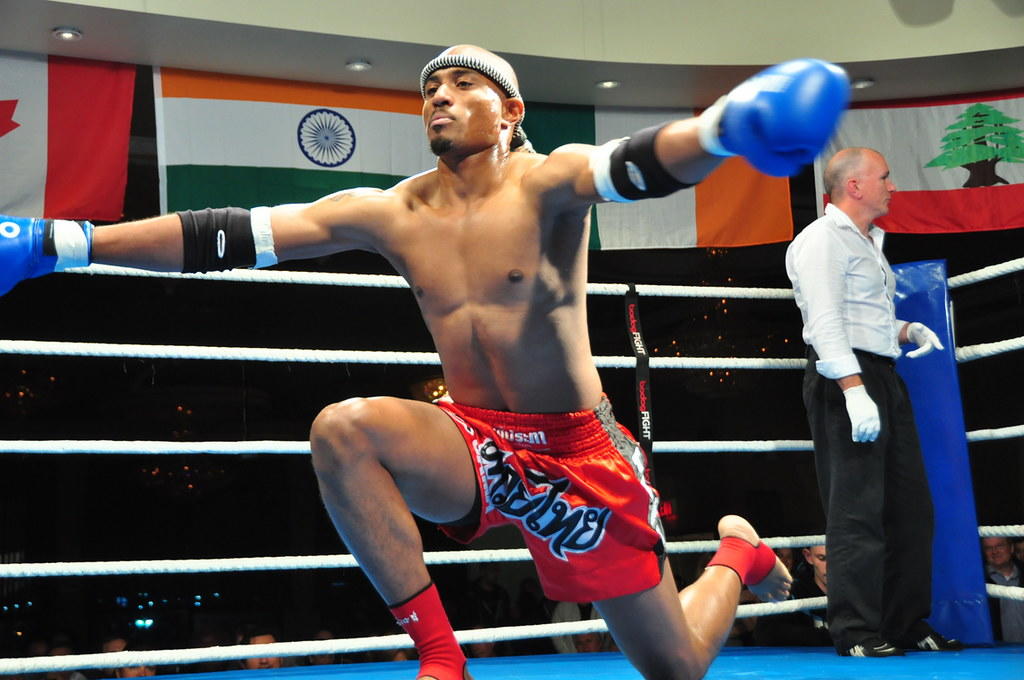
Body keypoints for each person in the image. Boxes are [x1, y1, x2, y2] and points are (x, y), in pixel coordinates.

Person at [0, 45, 850, 680]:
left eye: (463, 84)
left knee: (677, 669)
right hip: (477, 442)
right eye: (429, 89)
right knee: (346, 430)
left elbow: (638, 164)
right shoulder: (393, 209)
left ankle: (737, 554)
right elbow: (229, 234)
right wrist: (65, 242)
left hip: (578, 453)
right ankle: (441, 657)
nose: (440, 96)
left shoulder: (548, 182)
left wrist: (727, 128)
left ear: (510, 109)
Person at [785, 147, 964, 658]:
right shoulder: (820, 240)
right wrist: (853, 388)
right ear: (854, 186)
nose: (893, 185)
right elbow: (823, 322)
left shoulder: (867, 243)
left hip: (882, 374)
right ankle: (857, 632)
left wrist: (905, 330)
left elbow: (864, 316)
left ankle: (904, 622)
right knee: (857, 509)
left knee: (911, 507)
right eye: (884, 176)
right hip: (845, 377)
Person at [754, 544, 831, 646]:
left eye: (835, 557)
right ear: (808, 556)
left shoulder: (855, 592)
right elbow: (764, 634)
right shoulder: (791, 592)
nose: (829, 566)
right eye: (822, 558)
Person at [981, 536, 1024, 642]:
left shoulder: (1023, 574)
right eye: (988, 548)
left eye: (1000, 545)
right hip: (998, 654)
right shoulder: (978, 580)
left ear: (1011, 548)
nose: (995, 551)